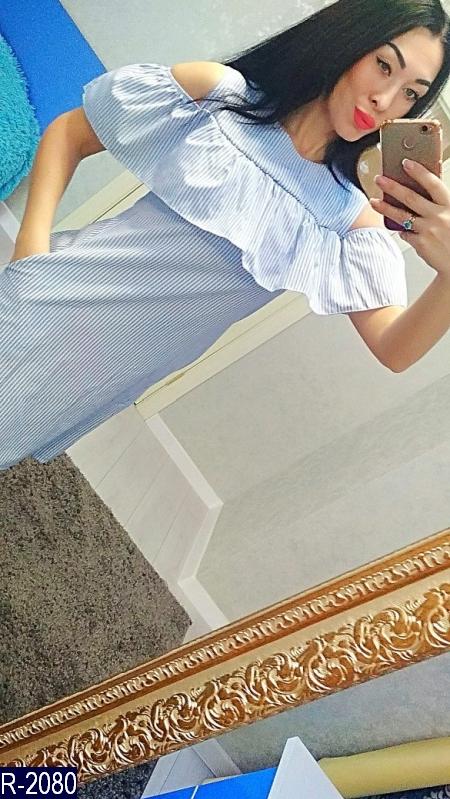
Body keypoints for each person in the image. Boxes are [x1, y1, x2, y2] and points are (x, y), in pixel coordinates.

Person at [1, 0, 450, 471]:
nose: (386, 100)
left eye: (410, 93)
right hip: (48, 300)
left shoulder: (347, 221)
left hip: (106, 372)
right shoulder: (220, 96)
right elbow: (71, 132)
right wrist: (30, 252)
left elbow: (395, 349)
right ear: (347, 39)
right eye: (384, 65)